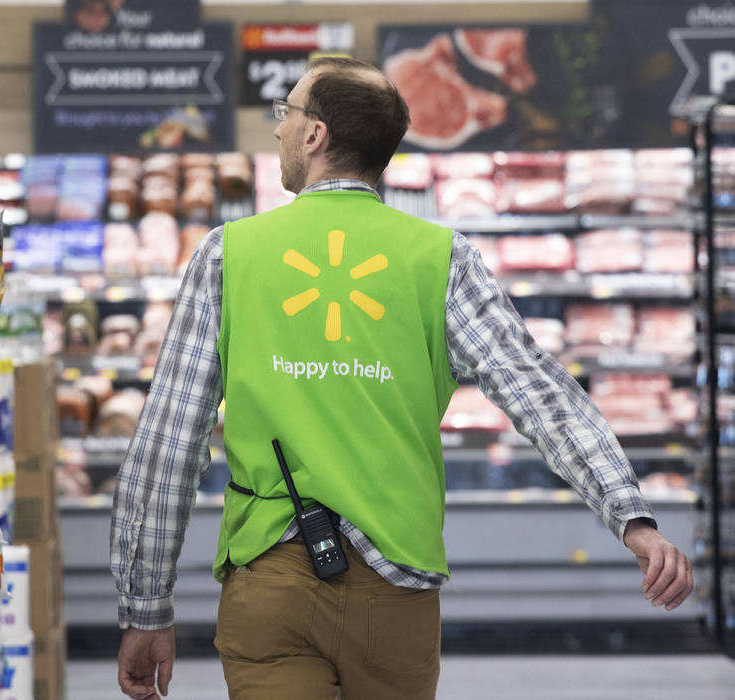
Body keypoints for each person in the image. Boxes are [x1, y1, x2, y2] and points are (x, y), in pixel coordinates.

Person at [109, 56, 694, 700]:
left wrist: (145, 607)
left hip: (269, 578)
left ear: (316, 136)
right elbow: (540, 393)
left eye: (287, 114)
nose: (277, 130)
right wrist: (630, 516)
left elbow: (168, 444)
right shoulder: (441, 259)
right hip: (393, 589)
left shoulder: (229, 254)